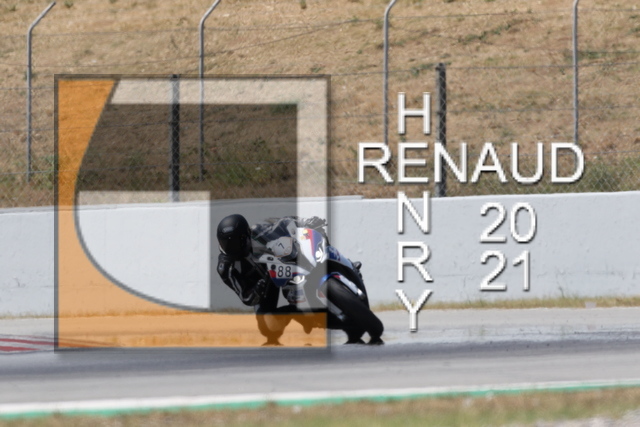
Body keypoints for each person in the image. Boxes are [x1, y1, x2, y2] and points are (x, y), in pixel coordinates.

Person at [216, 213, 374, 345]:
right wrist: (257, 289)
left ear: (246, 235)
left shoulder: (259, 231)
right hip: (262, 285)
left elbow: (286, 222)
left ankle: (346, 265)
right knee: (268, 328)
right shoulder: (226, 267)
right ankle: (301, 315)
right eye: (225, 243)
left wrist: (308, 223)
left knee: (320, 247)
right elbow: (245, 297)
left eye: (235, 242)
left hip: (281, 266)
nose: (230, 248)